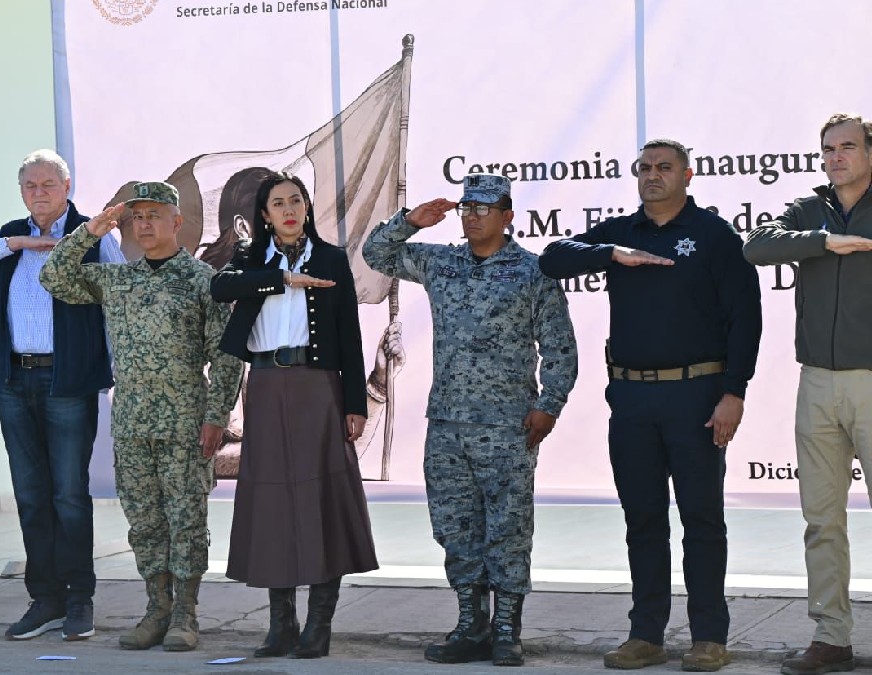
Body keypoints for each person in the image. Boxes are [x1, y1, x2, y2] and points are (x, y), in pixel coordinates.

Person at [539, 139, 762, 672]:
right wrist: (611, 255)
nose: (653, 176)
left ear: (688, 175)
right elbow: (552, 258)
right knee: (643, 519)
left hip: (697, 395)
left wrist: (734, 392)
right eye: (645, 168)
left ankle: (709, 636)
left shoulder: (713, 235)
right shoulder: (621, 232)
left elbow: (745, 317)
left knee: (701, 519)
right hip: (633, 397)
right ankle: (647, 635)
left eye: (665, 168)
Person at [364, 174, 578, 667]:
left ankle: (506, 629)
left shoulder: (532, 271)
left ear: (507, 215)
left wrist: (550, 405)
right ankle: (471, 624)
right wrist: (409, 221)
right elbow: (377, 255)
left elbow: (560, 347)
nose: (472, 216)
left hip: (507, 425)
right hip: (447, 423)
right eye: (466, 208)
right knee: (455, 527)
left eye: (484, 208)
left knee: (507, 526)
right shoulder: (442, 263)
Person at [39, 181, 243, 653]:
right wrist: (89, 231)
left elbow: (227, 357)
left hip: (185, 423)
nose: (145, 224)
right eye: (137, 217)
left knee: (186, 520)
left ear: (178, 222)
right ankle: (156, 609)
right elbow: (54, 277)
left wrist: (217, 417)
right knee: (145, 521)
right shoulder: (118, 280)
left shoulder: (203, 282)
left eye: (155, 214)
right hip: (131, 424)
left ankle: (186, 614)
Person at [0, 149, 120, 642]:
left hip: (67, 382)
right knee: (30, 496)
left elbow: (120, 300)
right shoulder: (9, 238)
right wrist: (16, 242)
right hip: (14, 382)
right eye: (30, 186)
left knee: (67, 495)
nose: (39, 193)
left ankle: (78, 599)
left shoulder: (94, 234)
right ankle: (45, 599)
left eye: (48, 184)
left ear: (68, 187)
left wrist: (114, 372)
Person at [211, 172, 379, 659]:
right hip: (264, 386)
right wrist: (280, 278)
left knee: (322, 496)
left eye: (295, 201)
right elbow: (220, 290)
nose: (287, 210)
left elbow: (349, 334)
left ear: (307, 207)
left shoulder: (329, 259)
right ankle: (280, 625)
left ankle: (318, 626)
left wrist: (354, 404)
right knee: (272, 503)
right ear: (264, 215)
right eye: (277, 203)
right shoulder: (249, 260)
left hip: (317, 386)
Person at [743, 113, 872, 675]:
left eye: (847, 147)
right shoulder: (807, 208)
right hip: (816, 381)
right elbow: (756, 245)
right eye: (827, 149)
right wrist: (825, 242)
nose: (835, 156)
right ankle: (832, 637)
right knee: (821, 519)